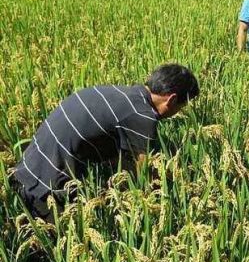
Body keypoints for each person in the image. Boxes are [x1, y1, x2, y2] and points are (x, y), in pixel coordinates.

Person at [10, 63, 199, 222]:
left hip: (23, 170)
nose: (178, 112)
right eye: (182, 107)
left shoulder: (117, 93)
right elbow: (144, 180)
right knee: (70, 250)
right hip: (43, 192)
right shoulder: (141, 115)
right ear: (172, 100)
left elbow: (114, 153)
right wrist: (169, 202)